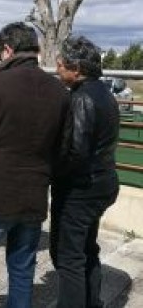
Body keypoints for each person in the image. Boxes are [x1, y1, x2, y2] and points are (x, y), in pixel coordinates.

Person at [0, 22, 69, 307]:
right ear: (36, 50)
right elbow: (63, 149)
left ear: (6, 50)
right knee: (22, 267)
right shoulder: (59, 91)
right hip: (35, 196)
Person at [51, 36, 120, 308]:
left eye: (59, 65)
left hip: (81, 190)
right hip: (103, 183)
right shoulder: (105, 94)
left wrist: (52, 174)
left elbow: (76, 154)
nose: (57, 70)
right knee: (87, 249)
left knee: (68, 258)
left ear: (76, 69)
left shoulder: (80, 98)